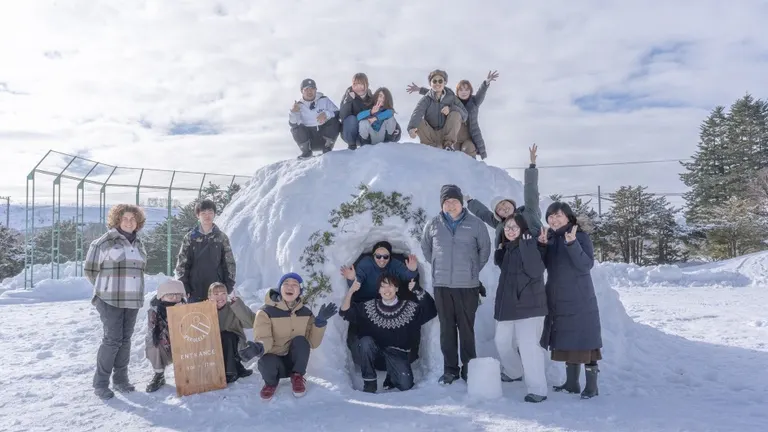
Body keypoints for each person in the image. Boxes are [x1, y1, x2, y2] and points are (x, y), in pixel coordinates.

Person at [421, 184, 491, 384]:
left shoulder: (475, 224)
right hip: (442, 285)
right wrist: (437, 265)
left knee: (466, 329)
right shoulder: (433, 224)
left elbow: (484, 250)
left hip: (467, 285)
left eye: (454, 201)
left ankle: (470, 369)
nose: (450, 205)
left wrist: (472, 270)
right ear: (442, 204)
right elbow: (426, 248)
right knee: (447, 329)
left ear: (461, 203)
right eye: (446, 201)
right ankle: (450, 369)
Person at [538, 202, 602, 399]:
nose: (554, 219)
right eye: (550, 216)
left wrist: (572, 243)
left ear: (568, 217)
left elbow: (585, 265)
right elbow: (542, 266)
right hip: (557, 296)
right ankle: (571, 383)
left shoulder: (580, 236)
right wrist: (541, 246)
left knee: (585, 340)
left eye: (558, 215)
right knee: (567, 339)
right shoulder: (551, 238)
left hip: (579, 297)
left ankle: (592, 386)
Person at [84, 204, 148, 400]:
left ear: (138, 222)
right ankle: (101, 383)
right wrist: (106, 288)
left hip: (132, 300)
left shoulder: (139, 244)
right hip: (110, 300)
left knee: (125, 340)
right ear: (117, 220)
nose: (129, 222)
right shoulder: (104, 242)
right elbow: (90, 270)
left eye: (133, 218)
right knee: (112, 340)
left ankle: (121, 380)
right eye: (125, 218)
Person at [340, 274, 437, 393]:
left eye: (390, 286)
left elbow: (431, 311)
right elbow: (345, 312)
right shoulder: (369, 307)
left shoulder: (409, 308)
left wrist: (418, 290)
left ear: (397, 289)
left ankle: (391, 376)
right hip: (376, 355)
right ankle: (370, 383)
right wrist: (351, 291)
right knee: (365, 342)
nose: (387, 290)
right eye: (383, 286)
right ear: (379, 290)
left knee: (406, 385)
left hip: (397, 354)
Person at [246, 273, 337, 400]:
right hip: (273, 362)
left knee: (300, 340)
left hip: (294, 362)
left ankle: (297, 377)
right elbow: (264, 337)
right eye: (286, 284)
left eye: (295, 285)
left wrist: (319, 323)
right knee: (267, 359)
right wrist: (258, 347)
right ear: (280, 288)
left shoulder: (306, 313)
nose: (290, 287)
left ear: (300, 291)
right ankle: (270, 383)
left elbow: (312, 343)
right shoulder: (265, 312)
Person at [493, 214, 549, 403]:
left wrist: (529, 245)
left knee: (528, 347)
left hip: (530, 306)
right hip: (508, 305)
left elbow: (535, 270)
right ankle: (514, 370)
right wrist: (500, 252)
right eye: (507, 227)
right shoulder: (508, 248)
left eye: (515, 227)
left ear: (523, 229)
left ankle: (538, 389)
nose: (510, 230)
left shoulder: (528, 244)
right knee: (501, 341)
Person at [340, 241, 420, 364]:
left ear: (390, 256)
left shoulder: (394, 264)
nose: (382, 260)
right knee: (363, 333)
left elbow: (407, 275)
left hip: (386, 302)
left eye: (385, 256)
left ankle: (391, 358)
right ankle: (363, 357)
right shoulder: (366, 263)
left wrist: (413, 270)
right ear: (373, 255)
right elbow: (357, 282)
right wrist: (352, 278)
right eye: (378, 256)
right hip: (364, 302)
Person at [407, 70, 499, 159]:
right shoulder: (445, 98)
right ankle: (433, 150)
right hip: (447, 136)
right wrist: (412, 128)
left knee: (467, 147)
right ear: (457, 92)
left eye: (466, 89)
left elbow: (480, 94)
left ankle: (470, 169)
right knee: (419, 121)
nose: (464, 92)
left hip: (464, 137)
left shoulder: (470, 102)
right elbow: (432, 95)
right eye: (461, 90)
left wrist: (486, 82)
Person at [466, 144, 542, 247]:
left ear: (511, 204)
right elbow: (483, 213)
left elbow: (530, 190)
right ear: (498, 215)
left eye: (504, 203)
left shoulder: (529, 212)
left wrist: (532, 166)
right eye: (499, 209)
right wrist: (470, 202)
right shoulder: (498, 224)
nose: (504, 208)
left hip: (538, 255)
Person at [175, 198, 237, 303]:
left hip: (217, 293)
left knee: (217, 319)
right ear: (198, 215)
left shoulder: (221, 237)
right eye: (203, 213)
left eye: (210, 212)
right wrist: (185, 286)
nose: (207, 216)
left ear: (214, 214)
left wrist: (228, 286)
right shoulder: (190, 238)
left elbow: (229, 263)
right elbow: (182, 264)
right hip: (195, 290)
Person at [406, 70, 468, 152]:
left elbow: (465, 115)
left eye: (440, 81)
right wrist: (411, 128)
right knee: (419, 121)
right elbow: (417, 112)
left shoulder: (451, 97)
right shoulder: (426, 99)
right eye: (434, 81)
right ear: (430, 84)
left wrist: (450, 109)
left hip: (446, 132)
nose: (437, 84)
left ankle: (448, 145)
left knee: (456, 114)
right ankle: (430, 147)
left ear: (445, 82)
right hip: (431, 134)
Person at [208, 282, 257, 383]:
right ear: (209, 296)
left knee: (227, 336)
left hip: (234, 343)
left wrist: (237, 305)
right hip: (211, 346)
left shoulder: (233, 307)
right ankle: (237, 368)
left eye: (223, 293)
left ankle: (230, 372)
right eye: (216, 294)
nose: (220, 297)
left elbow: (250, 323)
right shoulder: (204, 309)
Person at [145, 279, 186, 393]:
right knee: (153, 343)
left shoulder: (186, 307)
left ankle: (191, 372)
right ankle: (159, 375)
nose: (174, 298)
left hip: (184, 345)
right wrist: (171, 316)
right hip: (166, 346)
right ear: (162, 296)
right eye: (170, 295)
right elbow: (154, 331)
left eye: (177, 295)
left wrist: (182, 313)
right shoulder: (154, 311)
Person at [289, 78, 341, 159]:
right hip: (309, 140)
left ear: (316, 90)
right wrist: (293, 112)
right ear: (302, 91)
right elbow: (293, 124)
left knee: (335, 121)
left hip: (325, 138)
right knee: (295, 128)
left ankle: (327, 148)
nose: (310, 91)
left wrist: (327, 114)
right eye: (306, 89)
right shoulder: (298, 105)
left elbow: (338, 113)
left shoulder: (324, 100)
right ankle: (306, 152)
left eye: (312, 88)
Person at [339, 72, 373, 149]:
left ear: (366, 84)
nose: (358, 87)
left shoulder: (371, 97)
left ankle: (367, 145)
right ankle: (352, 146)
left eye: (361, 84)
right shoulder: (348, 96)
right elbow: (342, 116)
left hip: (365, 134)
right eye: (355, 84)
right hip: (350, 134)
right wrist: (349, 100)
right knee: (351, 119)